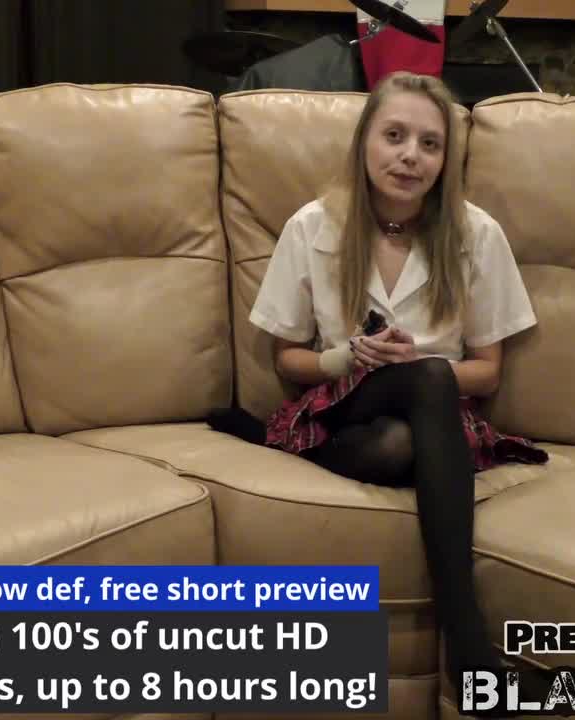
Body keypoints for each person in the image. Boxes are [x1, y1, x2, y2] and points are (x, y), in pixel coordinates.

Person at [207, 71, 551, 704]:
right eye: (394, 136)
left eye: (429, 143)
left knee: (410, 422)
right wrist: (348, 357)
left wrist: (414, 365)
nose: (410, 156)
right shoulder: (312, 226)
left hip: (434, 419)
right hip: (342, 402)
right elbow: (288, 359)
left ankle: (284, 443)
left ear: (445, 160)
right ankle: (469, 642)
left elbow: (487, 371)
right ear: (365, 141)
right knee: (421, 382)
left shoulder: (477, 234)